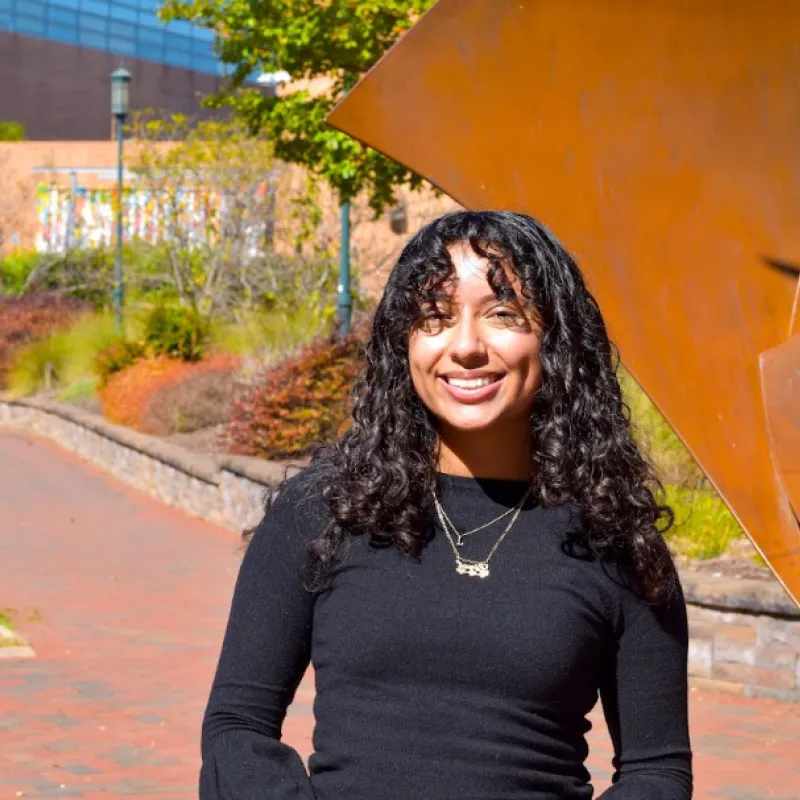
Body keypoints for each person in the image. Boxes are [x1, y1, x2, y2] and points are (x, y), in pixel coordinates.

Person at [199, 210, 692, 800]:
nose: (465, 347)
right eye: (434, 317)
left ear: (556, 338)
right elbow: (237, 727)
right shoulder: (327, 507)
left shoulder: (613, 533)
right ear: (403, 341)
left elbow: (656, 771)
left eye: (503, 314)